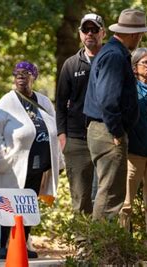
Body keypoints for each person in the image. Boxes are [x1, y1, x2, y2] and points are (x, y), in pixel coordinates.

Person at [0, 61, 62, 259]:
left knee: (28, 203)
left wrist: (58, 160)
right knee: (9, 204)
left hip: (39, 162)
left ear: (34, 76)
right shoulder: (7, 101)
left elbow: (54, 129)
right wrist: (1, 156)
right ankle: (0, 245)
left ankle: (22, 243)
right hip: (14, 163)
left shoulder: (44, 101)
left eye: (26, 73)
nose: (21, 76)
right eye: (17, 73)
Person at [83, 8, 147, 220]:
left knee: (110, 191)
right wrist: (116, 130)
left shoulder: (113, 53)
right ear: (133, 34)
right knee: (111, 193)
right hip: (107, 131)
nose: (140, 38)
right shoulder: (114, 56)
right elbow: (107, 98)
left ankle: (99, 247)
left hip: (104, 129)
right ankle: (99, 249)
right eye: (140, 34)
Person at [56, 13, 105, 215]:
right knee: (80, 195)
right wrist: (62, 136)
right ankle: (82, 243)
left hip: (106, 134)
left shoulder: (112, 60)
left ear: (103, 32)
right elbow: (60, 104)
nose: (90, 34)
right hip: (77, 139)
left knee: (105, 193)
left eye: (95, 29)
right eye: (86, 30)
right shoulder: (71, 64)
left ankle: (103, 243)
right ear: (80, 34)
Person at [119, 48, 147, 240]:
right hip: (132, 154)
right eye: (145, 62)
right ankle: (123, 244)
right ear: (134, 68)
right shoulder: (128, 89)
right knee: (125, 204)